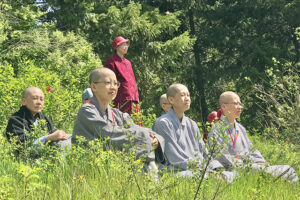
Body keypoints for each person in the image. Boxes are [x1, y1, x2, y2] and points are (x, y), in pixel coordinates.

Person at [72, 68, 164, 176]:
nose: (113, 87)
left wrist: (154, 137)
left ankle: (152, 187)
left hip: (115, 165)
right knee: (143, 142)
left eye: (116, 83)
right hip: (92, 168)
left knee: (144, 142)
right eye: (108, 83)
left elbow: (135, 128)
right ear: (93, 87)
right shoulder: (87, 110)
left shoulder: (117, 114)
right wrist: (145, 137)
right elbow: (109, 133)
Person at [208, 91, 298, 182]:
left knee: (289, 171)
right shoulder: (216, 130)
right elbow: (220, 155)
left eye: (240, 104)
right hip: (237, 170)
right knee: (287, 171)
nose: (240, 107)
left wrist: (260, 162)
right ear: (224, 106)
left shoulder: (241, 129)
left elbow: (252, 149)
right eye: (235, 103)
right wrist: (244, 162)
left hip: (252, 167)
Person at [152, 84, 234, 181]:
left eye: (188, 95)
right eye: (183, 95)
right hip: (174, 171)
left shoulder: (192, 124)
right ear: (171, 100)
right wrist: (200, 168)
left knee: (231, 174)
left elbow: (204, 152)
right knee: (206, 177)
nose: (187, 99)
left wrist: (214, 167)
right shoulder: (163, 123)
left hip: (199, 169)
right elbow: (174, 158)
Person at [6, 87, 71, 150]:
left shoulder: (43, 117)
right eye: (35, 98)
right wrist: (48, 138)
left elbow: (53, 131)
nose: (39, 102)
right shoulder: (16, 120)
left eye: (41, 99)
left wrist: (60, 134)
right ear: (24, 101)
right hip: (29, 158)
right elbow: (24, 146)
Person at [104, 36, 139, 115]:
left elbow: (132, 80)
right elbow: (108, 81)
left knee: (136, 122)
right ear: (117, 47)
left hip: (133, 97)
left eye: (126, 44)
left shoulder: (128, 62)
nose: (126, 47)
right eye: (123, 44)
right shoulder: (111, 61)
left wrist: (136, 96)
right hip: (121, 98)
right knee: (122, 122)